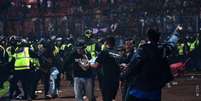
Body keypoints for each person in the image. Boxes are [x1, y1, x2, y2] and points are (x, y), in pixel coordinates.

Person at [123, 27, 181, 101]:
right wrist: (176, 33)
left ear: (147, 38)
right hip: (154, 91)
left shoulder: (142, 50)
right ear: (159, 38)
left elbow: (132, 67)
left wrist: (124, 75)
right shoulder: (162, 50)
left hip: (138, 90)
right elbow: (171, 44)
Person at [91, 36, 120, 101]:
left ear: (106, 43)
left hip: (107, 80)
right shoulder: (118, 53)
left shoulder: (104, 52)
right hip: (116, 80)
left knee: (107, 98)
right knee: (112, 98)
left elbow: (96, 65)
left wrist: (88, 64)